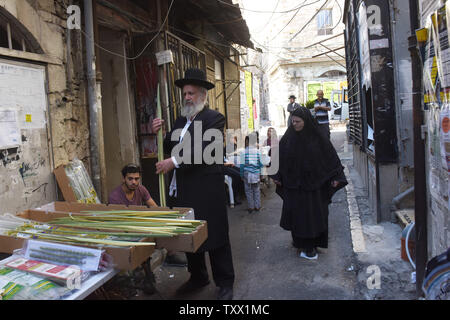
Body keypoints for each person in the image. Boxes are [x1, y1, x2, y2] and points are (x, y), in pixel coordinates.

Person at [151, 68, 234, 300]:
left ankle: (225, 283)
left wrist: (174, 161)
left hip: (207, 190)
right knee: (190, 236)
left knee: (215, 236)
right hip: (185, 190)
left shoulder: (214, 119)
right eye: (185, 93)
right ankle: (198, 276)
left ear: (203, 95)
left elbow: (204, 150)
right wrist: (159, 133)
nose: (187, 97)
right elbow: (170, 146)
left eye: (192, 93)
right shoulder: (180, 121)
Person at [271, 107, 347, 260]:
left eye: (298, 122)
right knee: (297, 217)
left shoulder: (318, 137)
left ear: (306, 121)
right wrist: (277, 175)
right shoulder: (289, 137)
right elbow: (279, 156)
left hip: (314, 187)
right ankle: (300, 242)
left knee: (312, 217)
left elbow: (330, 157)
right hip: (295, 186)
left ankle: (311, 246)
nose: (295, 125)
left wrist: (336, 177)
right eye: (293, 122)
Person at [107, 163, 157, 296]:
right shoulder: (115, 197)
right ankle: (130, 281)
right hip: (121, 231)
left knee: (149, 242)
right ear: (124, 179)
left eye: (136, 179)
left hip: (137, 227)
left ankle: (145, 274)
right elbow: (119, 224)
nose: (134, 182)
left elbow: (154, 207)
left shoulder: (141, 189)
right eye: (130, 179)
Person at [240, 133, 263, 213]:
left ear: (247, 141)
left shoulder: (243, 152)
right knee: (256, 190)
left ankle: (251, 207)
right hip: (256, 174)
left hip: (247, 174)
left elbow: (242, 165)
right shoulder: (258, 152)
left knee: (248, 191)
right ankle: (257, 206)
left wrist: (241, 175)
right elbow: (260, 164)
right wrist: (261, 174)